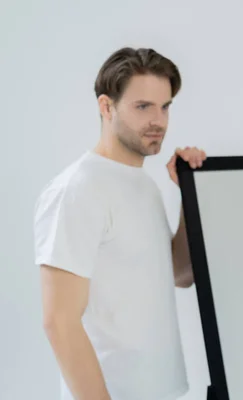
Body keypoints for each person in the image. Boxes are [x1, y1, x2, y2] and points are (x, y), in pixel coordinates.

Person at [33, 47, 206, 400]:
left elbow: (180, 275)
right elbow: (58, 321)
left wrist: (189, 193)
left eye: (165, 106)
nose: (158, 120)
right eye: (143, 107)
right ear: (106, 106)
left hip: (165, 391)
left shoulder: (145, 185)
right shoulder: (77, 190)